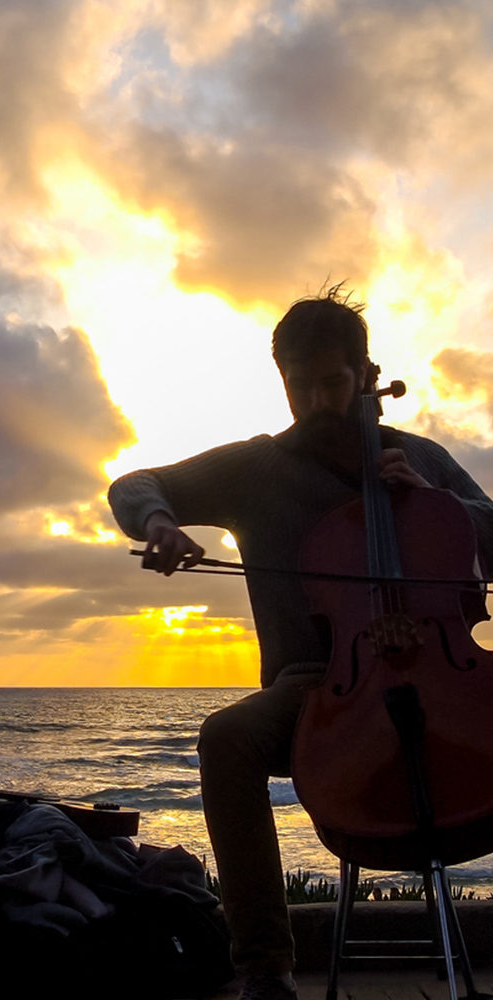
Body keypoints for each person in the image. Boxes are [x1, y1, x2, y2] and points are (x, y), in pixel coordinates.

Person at [108, 288, 493, 1000]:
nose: (317, 401)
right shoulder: (257, 468)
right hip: (318, 686)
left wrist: (444, 509)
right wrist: (157, 518)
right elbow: (136, 481)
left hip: (443, 670)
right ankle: (265, 969)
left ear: (366, 374)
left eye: (333, 383)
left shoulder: (421, 458)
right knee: (227, 739)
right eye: (299, 386)